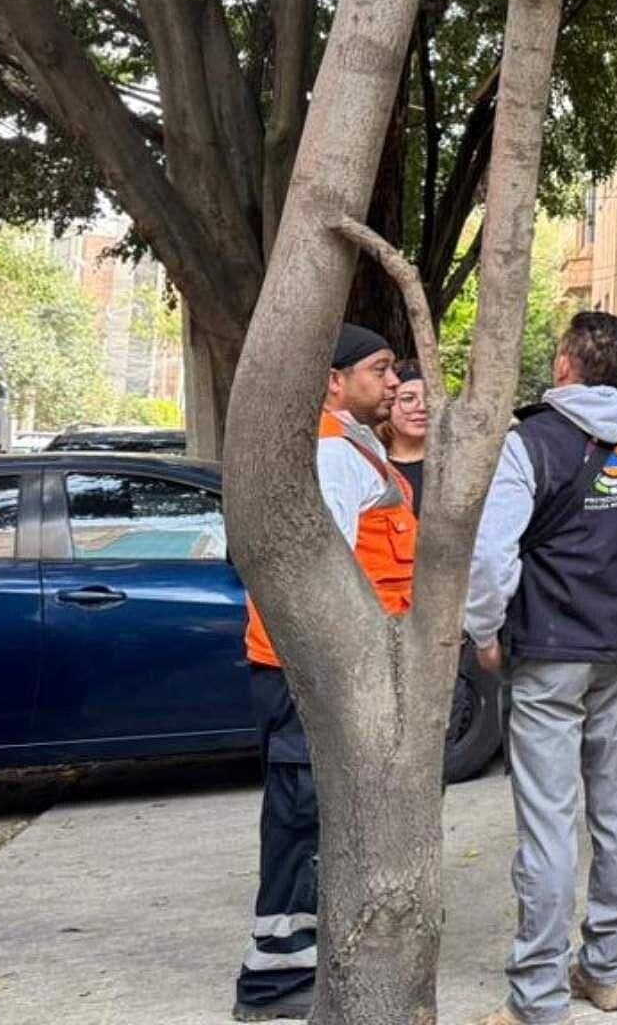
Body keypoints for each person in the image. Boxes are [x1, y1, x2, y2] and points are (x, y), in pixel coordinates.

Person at [466, 312, 617, 1025]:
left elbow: (494, 555)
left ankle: (538, 998)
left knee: (548, 826)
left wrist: (484, 631)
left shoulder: (532, 445)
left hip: (549, 653)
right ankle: (611, 971)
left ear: (563, 365)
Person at [233, 324, 411, 1023]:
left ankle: (303, 959)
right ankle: (272, 980)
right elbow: (323, 573)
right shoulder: (331, 453)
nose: (393, 382)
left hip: (326, 667)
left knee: (317, 818)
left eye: (394, 369)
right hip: (309, 670)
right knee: (300, 819)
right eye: (379, 369)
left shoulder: (357, 449)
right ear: (334, 380)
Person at [382, 360, 429, 514]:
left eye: (429, 398)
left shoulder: (454, 463)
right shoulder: (372, 462)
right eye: (408, 399)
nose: (422, 407)